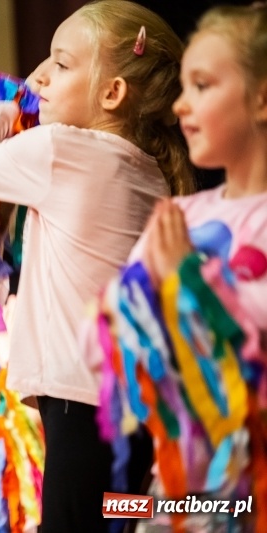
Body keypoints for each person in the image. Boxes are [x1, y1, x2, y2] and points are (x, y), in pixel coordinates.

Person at [0, 1, 195, 530]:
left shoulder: (61, 148)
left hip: (83, 399)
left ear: (112, 93)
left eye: (61, 63)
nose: (37, 76)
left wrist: (0, 112)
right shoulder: (153, 172)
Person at [126, 4, 267, 531]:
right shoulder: (181, 216)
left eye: (203, 85)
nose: (181, 105)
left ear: (262, 97)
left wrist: (186, 280)